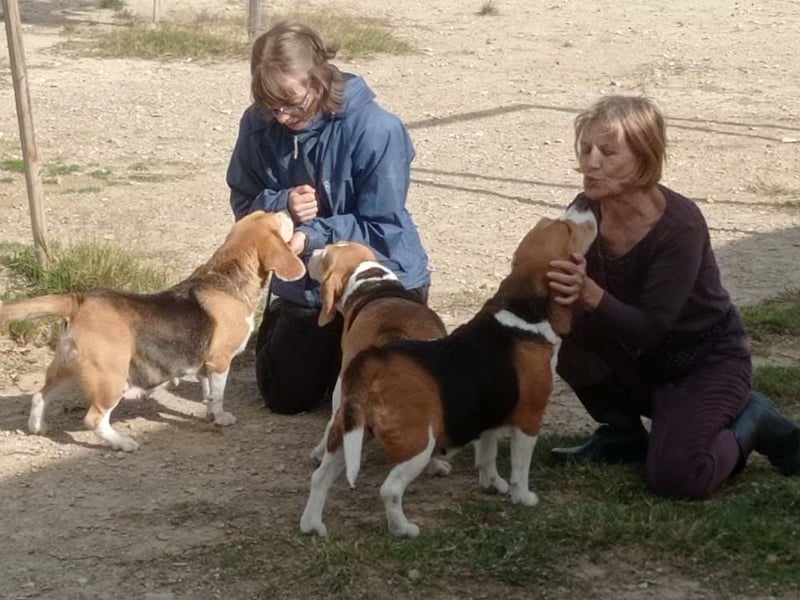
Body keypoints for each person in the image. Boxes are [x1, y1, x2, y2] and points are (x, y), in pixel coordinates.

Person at [546, 95, 800, 499]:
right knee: (557, 324)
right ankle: (623, 435)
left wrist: (590, 293)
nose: (590, 162)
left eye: (608, 152)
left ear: (644, 158)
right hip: (640, 359)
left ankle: (755, 419)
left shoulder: (679, 225)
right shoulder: (586, 209)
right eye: (585, 149)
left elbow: (651, 327)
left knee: (678, 478)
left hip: (702, 362)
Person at [226, 20, 431, 415]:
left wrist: (314, 233)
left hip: (381, 274)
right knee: (287, 398)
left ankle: (345, 354)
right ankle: (304, 340)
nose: (282, 116)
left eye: (292, 103)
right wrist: (281, 202)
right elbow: (243, 203)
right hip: (306, 281)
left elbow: (381, 226)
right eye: (271, 105)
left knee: (380, 402)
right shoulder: (258, 124)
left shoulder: (377, 129)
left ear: (319, 82)